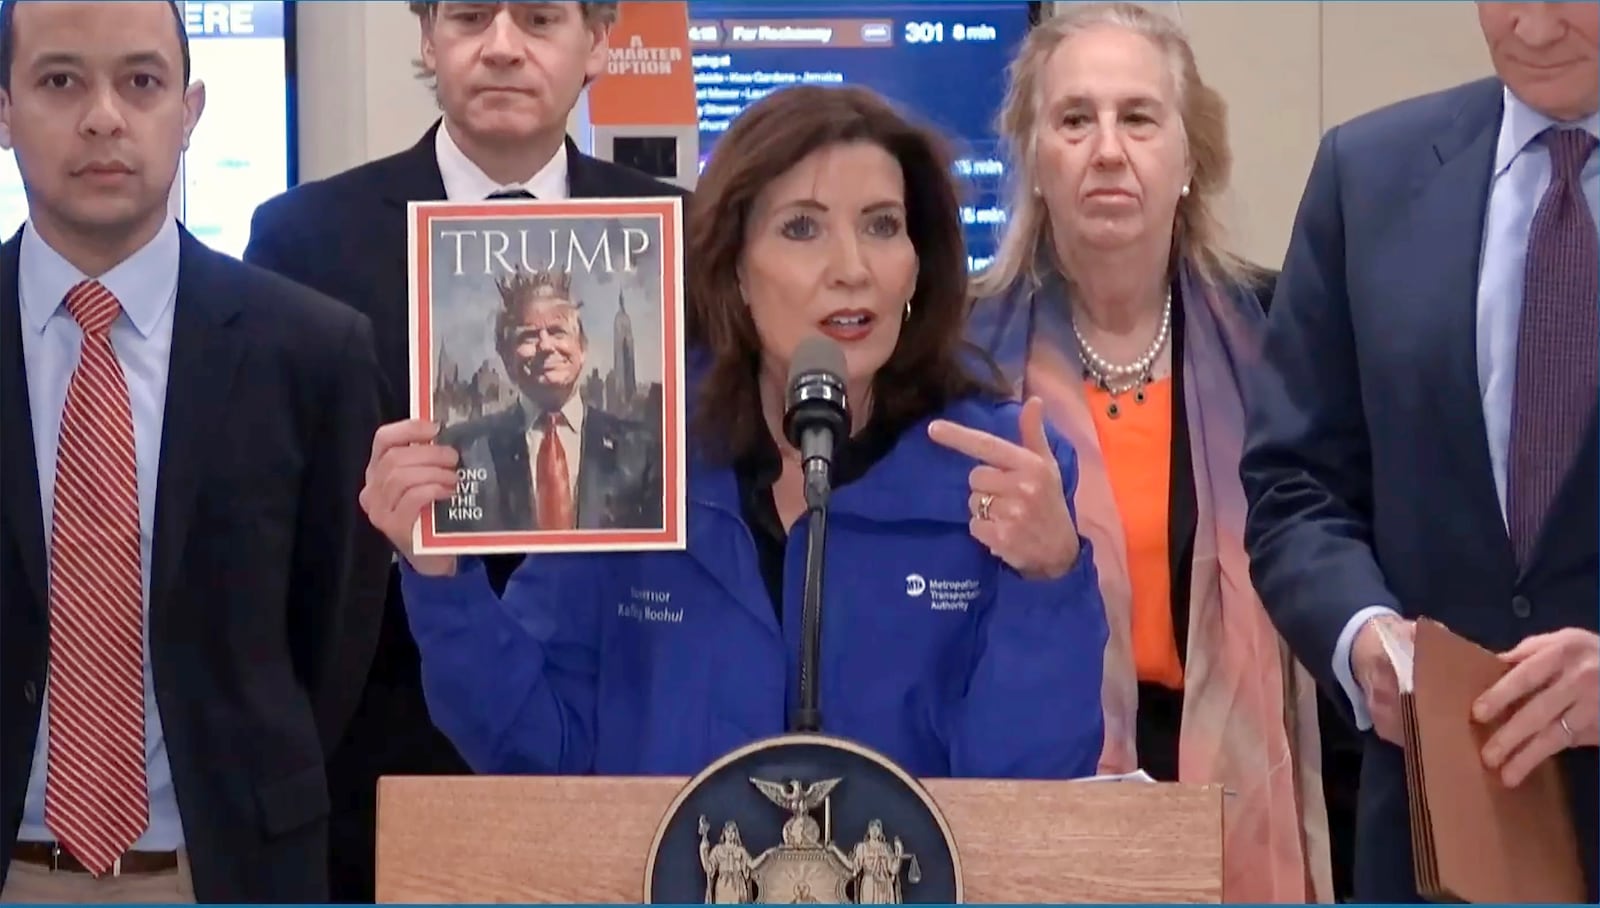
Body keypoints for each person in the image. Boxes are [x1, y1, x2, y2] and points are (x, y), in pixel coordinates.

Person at [360, 85, 1108, 784]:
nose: (852, 269)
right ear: (737, 271)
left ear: (918, 266)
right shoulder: (636, 453)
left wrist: (1049, 579)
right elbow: (533, 748)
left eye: (882, 225)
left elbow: (1028, 787)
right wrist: (443, 584)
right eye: (802, 228)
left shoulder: (1001, 470)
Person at [242, 3, 687, 898]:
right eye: (471, 14)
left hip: (625, 737)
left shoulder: (681, 236)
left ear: (599, 39)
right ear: (426, 36)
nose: (502, 45)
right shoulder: (305, 239)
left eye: (540, 17)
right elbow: (264, 514)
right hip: (382, 748)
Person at [0, 0, 386, 902]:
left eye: (141, 81)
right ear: (5, 109)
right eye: (61, 81)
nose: (103, 116)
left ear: (191, 110)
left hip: (225, 867)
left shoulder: (313, 351)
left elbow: (333, 638)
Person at [965, 3, 1343, 901]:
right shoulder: (960, 356)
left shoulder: (1279, 336)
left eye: (1138, 117)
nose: (1107, 149)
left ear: (1188, 159)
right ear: (1034, 159)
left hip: (1236, 783)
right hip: (1031, 777)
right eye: (1073, 119)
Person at [1241, 2, 1598, 902]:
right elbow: (1296, 483)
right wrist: (1363, 635)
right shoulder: (1365, 175)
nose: (1534, 26)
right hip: (1431, 842)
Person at [437, 265, 661, 533]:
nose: (545, 346)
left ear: (582, 348)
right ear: (507, 358)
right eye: (529, 335)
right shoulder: (461, 450)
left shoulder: (642, 450)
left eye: (558, 331)